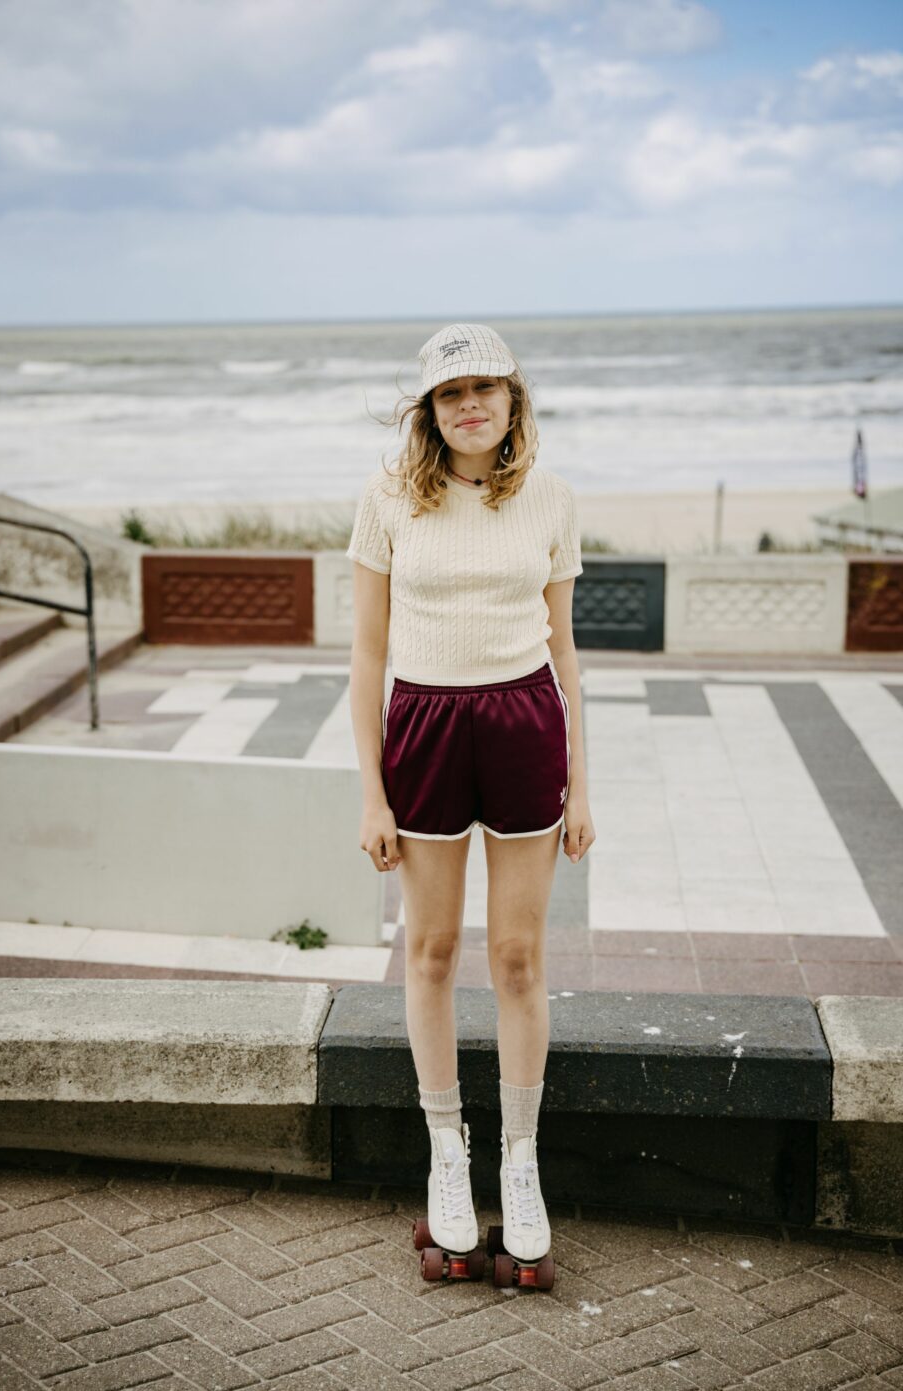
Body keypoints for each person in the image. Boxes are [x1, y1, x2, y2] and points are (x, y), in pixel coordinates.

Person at [344, 322, 596, 1279]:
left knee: (519, 956)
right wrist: (372, 794)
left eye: (485, 387)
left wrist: (580, 782)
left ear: (512, 398)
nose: (470, 405)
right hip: (425, 726)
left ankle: (519, 1163)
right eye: (451, 393)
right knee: (434, 949)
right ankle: (446, 1154)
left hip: (525, 721)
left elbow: (565, 649)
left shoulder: (552, 498)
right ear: (430, 410)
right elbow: (367, 653)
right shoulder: (386, 499)